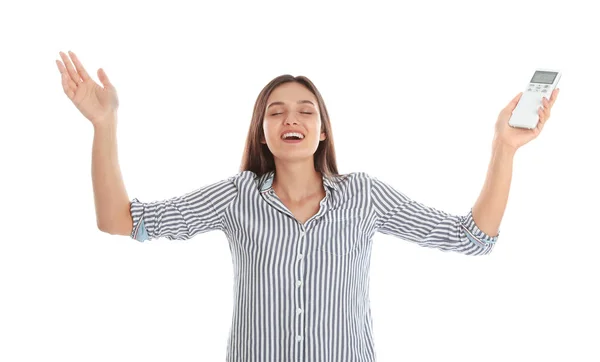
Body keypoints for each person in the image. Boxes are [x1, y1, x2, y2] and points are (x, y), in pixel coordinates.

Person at [56, 50, 559, 362]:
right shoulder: (235, 198)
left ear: (322, 131)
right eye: (275, 112)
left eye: (305, 111)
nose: (289, 118)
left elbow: (473, 238)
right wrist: (104, 126)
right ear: (263, 132)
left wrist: (504, 147)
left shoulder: (363, 196)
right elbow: (120, 220)